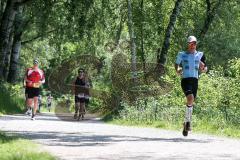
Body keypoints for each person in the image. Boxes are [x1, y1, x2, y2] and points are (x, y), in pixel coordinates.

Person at [175, 36, 207, 136]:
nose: (193, 45)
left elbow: (204, 67)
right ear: (188, 44)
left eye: (194, 43)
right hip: (185, 80)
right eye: (191, 43)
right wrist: (178, 69)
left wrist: (204, 69)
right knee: (190, 98)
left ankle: (186, 123)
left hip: (195, 81)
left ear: (196, 44)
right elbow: (176, 64)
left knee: (191, 101)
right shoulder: (182, 54)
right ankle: (188, 123)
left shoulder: (200, 55)